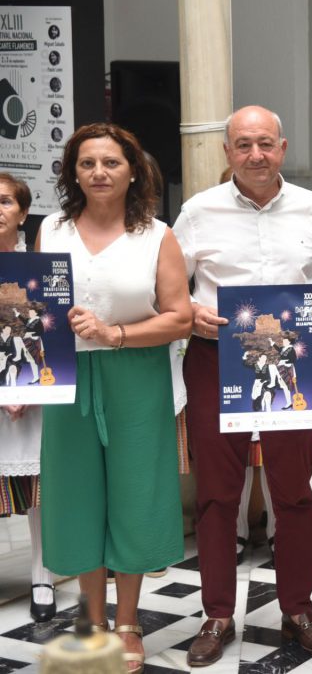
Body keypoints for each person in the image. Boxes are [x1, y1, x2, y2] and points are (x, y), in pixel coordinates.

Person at [173, 105, 312, 665]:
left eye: (266, 144)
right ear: (227, 152)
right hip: (216, 360)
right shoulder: (197, 212)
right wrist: (191, 312)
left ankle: (299, 609)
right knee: (217, 494)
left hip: (292, 363)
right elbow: (168, 289)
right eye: (244, 145)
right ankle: (217, 614)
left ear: (283, 148)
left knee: (293, 492)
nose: (255, 155)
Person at [38, 124, 193, 672]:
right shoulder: (52, 229)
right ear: (73, 173)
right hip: (68, 377)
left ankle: (127, 622)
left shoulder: (156, 235)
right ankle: (93, 623)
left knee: (135, 495)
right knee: (76, 496)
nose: (99, 173)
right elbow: (37, 307)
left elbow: (180, 317)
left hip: (136, 372)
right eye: (87, 164)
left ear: (133, 171)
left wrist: (114, 333)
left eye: (111, 163)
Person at [0, 172, 55, 623]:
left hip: (34, 393)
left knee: (40, 487)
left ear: (23, 212)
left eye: (4, 201)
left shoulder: (41, 268)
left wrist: (24, 388)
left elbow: (53, 331)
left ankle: (43, 576)